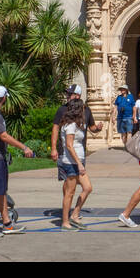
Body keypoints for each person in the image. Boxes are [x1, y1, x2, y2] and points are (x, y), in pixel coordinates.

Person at [0, 85, 35, 237]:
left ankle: (7, 223)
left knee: (1, 191)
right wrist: (24, 147)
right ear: (4, 98)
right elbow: (3, 135)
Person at [57, 97, 92, 230]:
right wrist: (79, 163)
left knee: (88, 187)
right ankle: (65, 222)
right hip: (71, 163)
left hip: (77, 162)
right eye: (83, 108)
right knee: (69, 193)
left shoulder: (76, 124)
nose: (84, 111)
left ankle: (75, 214)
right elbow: (69, 146)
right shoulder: (70, 125)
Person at [50, 84, 100, 161]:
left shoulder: (86, 110)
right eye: (67, 94)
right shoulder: (62, 109)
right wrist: (53, 148)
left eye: (70, 94)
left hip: (80, 153)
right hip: (64, 154)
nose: (67, 96)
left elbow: (92, 127)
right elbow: (55, 128)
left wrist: (98, 128)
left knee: (80, 172)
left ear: (78, 96)